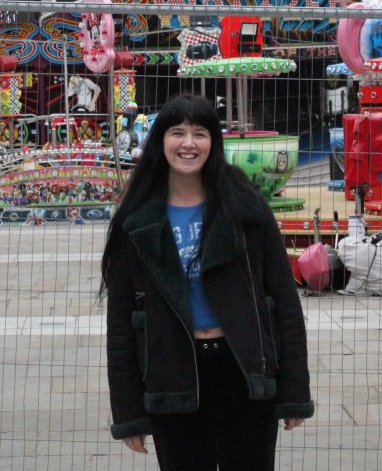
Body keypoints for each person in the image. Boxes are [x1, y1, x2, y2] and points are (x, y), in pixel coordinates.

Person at [101, 94, 313, 471]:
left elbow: (283, 299)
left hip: (243, 371)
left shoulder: (243, 206)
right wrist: (129, 412)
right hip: (172, 375)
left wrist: (294, 390)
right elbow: (120, 327)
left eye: (199, 133)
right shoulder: (137, 221)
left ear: (213, 142)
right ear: (160, 140)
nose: (188, 143)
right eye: (177, 132)